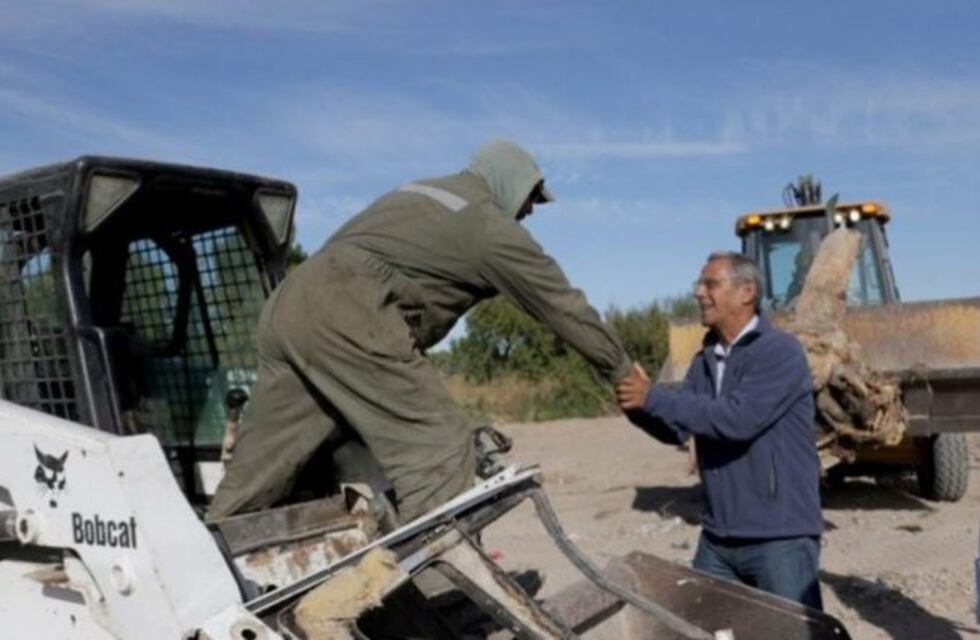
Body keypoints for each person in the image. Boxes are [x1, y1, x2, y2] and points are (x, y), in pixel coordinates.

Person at [209, 140, 631, 522]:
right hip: (347, 309)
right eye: (532, 197)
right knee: (439, 447)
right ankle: (438, 591)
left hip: (290, 303)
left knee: (257, 474)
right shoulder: (485, 223)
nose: (531, 210)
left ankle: (201, 578)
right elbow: (560, 303)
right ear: (509, 181)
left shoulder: (420, 194)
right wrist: (621, 369)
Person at [616, 251, 824, 610]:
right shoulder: (705, 360)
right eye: (699, 284)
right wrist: (637, 406)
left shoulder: (780, 352)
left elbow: (738, 420)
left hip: (779, 537)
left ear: (746, 292)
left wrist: (654, 398)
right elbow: (679, 428)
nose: (699, 292)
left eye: (710, 284)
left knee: (795, 634)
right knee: (701, 627)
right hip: (718, 539)